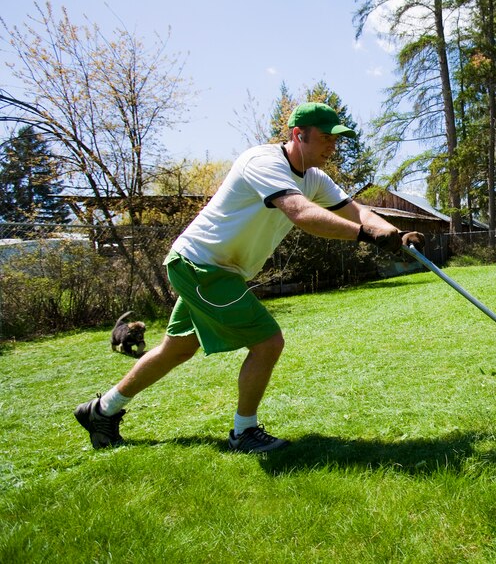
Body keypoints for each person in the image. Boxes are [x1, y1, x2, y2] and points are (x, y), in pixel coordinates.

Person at [74, 102, 424, 453]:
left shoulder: (315, 177)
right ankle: (244, 432)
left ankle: (101, 410)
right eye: (325, 137)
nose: (332, 145)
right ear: (298, 135)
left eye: (337, 139)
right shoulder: (263, 162)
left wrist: (394, 232)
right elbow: (301, 213)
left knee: (176, 349)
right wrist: (365, 236)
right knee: (267, 343)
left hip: (212, 269)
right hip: (201, 265)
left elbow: (357, 210)